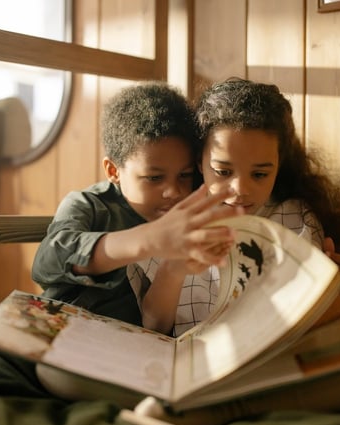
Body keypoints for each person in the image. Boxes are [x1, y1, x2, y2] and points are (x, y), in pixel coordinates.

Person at [128, 77, 340, 336]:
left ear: (278, 165)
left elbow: (314, 312)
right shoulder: (174, 220)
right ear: (199, 162)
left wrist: (338, 289)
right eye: (223, 171)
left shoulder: (296, 218)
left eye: (259, 175)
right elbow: (154, 325)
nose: (241, 189)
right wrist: (173, 269)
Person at [31, 82, 242, 325]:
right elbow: (47, 261)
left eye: (184, 175)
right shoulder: (89, 204)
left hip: (142, 349)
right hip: (58, 331)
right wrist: (147, 240)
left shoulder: (193, 212)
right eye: (154, 178)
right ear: (113, 171)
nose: (173, 191)